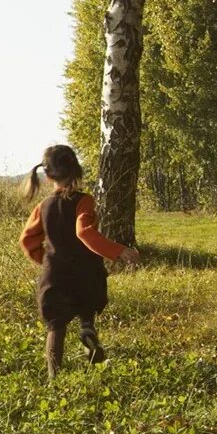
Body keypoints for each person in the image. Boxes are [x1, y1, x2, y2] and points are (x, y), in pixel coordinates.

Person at [19, 144, 139, 378]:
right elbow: (84, 232)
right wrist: (118, 251)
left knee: (56, 325)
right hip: (86, 272)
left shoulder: (42, 207)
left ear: (47, 175)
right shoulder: (84, 201)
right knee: (86, 301)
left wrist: (45, 260)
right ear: (76, 170)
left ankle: (55, 377)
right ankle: (87, 327)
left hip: (56, 274)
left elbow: (27, 240)